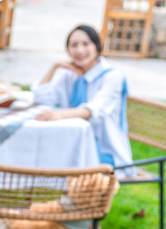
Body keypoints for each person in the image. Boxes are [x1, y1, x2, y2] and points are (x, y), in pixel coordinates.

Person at [32, 24, 133, 170]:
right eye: (73, 45)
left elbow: (93, 111)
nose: (80, 50)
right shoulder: (69, 75)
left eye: (86, 44)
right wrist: (55, 66)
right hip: (73, 145)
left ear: (97, 46)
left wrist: (59, 114)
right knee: (39, 157)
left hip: (105, 153)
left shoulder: (112, 76)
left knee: (48, 163)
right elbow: (40, 97)